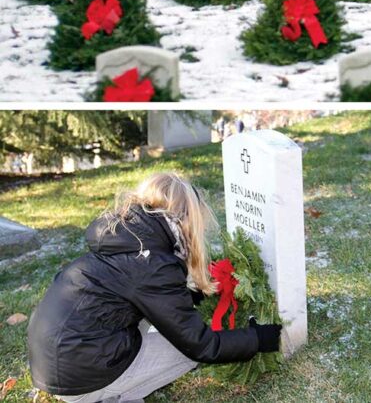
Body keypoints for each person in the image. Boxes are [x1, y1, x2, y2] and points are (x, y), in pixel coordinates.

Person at [27, 172, 281, 403]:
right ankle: (111, 397)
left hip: (54, 364)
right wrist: (257, 339)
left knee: (161, 329)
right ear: (187, 218)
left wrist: (189, 295)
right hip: (80, 377)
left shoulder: (128, 236)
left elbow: (141, 296)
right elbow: (200, 346)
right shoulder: (153, 264)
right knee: (184, 352)